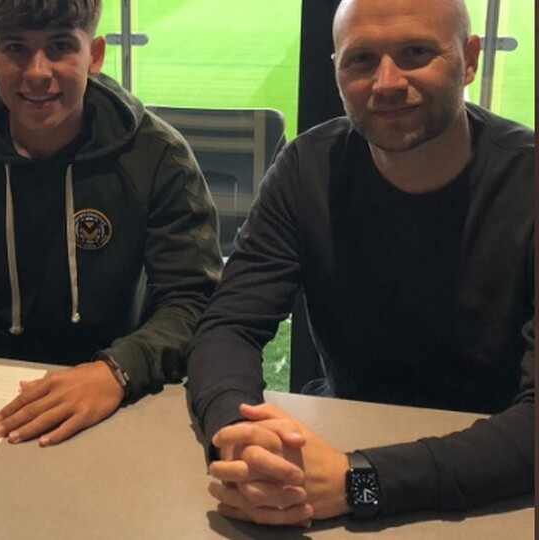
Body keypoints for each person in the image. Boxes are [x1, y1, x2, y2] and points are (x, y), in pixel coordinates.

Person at [186, 0, 534, 526]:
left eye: (416, 52)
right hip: (334, 451)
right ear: (337, 70)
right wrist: (240, 439)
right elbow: (228, 326)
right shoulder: (306, 169)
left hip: (494, 481)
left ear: (469, 59)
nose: (387, 82)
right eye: (362, 59)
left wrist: (361, 482)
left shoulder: (526, 183)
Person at [0, 0, 222, 447]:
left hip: (124, 389)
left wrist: (118, 370)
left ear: (95, 55)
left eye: (60, 47)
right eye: (16, 48)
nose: (37, 72)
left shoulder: (157, 156)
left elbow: (192, 297)